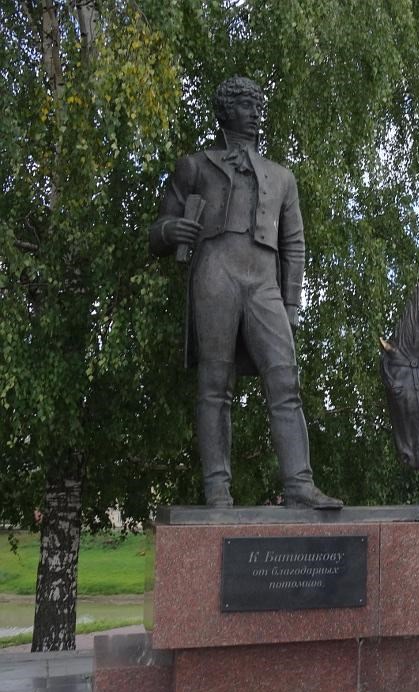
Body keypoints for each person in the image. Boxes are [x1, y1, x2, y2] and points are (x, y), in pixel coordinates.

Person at [150, 76, 342, 509]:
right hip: (215, 273)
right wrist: (169, 230)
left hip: (262, 281)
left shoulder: (282, 177)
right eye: (243, 104)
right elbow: (158, 229)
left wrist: (292, 304)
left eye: (257, 104)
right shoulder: (195, 166)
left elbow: (294, 244)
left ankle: (299, 484)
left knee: (284, 378)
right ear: (224, 112)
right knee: (215, 384)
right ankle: (217, 488)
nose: (255, 112)